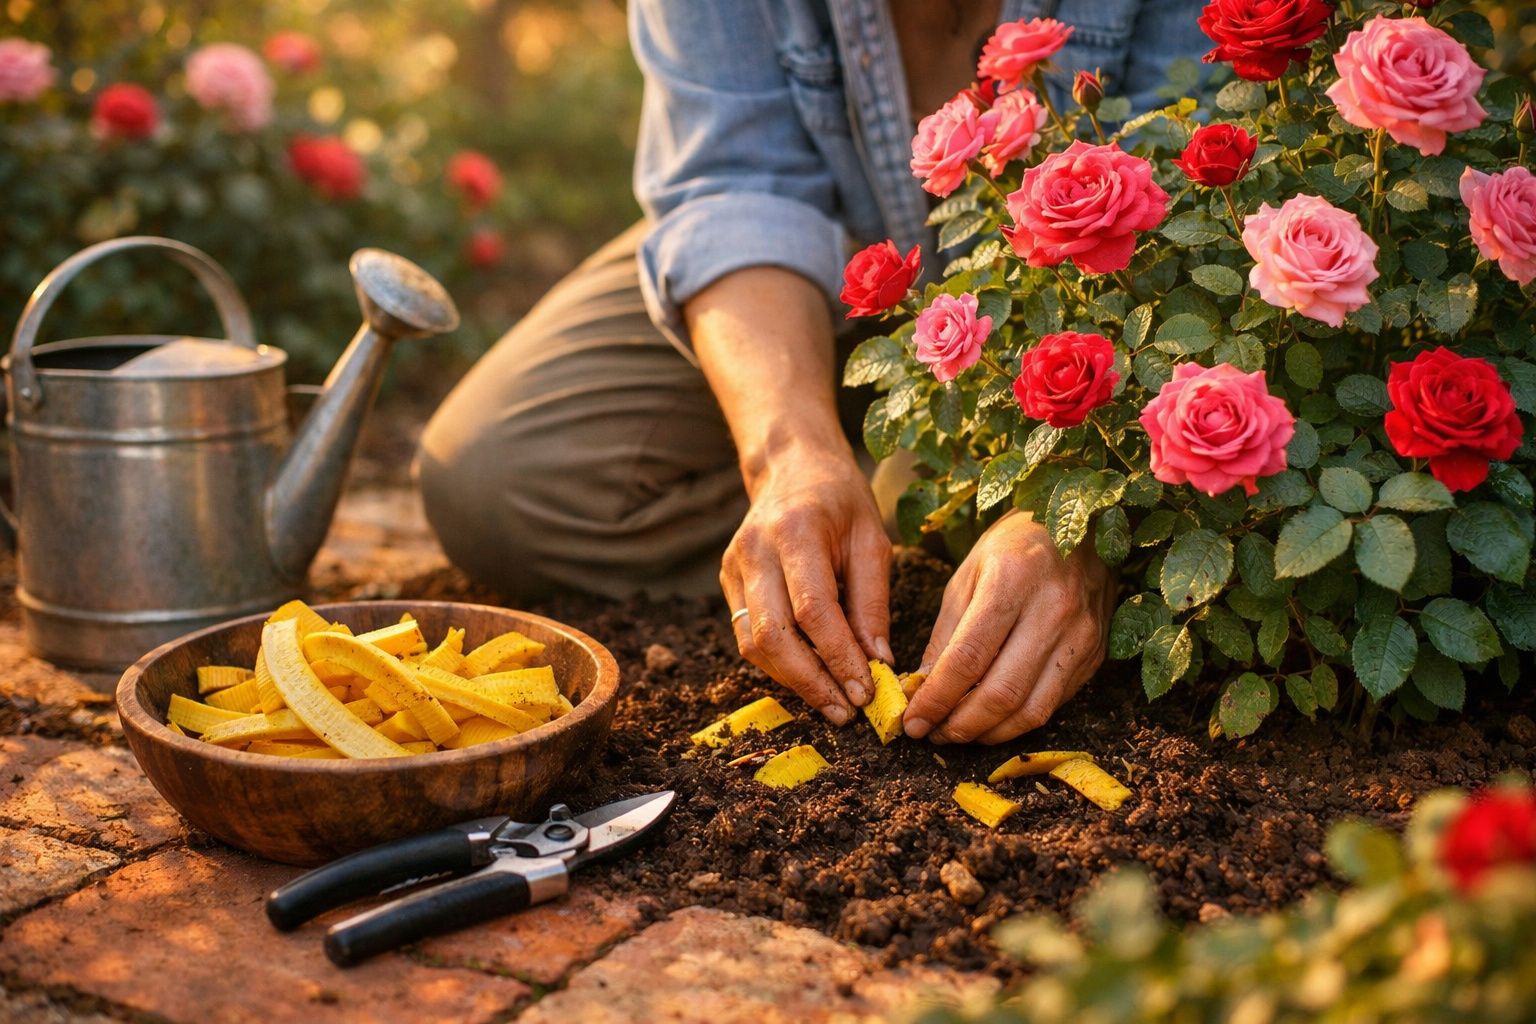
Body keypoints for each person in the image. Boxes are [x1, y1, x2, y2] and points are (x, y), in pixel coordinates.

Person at [416, 0, 1209, 744]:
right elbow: (733, 181)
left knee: (969, 510)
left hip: (1105, 301)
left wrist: (1078, 515)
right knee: (493, 479)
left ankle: (945, 522)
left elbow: (1207, 217)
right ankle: (866, 511)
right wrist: (789, 455)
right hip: (814, 258)